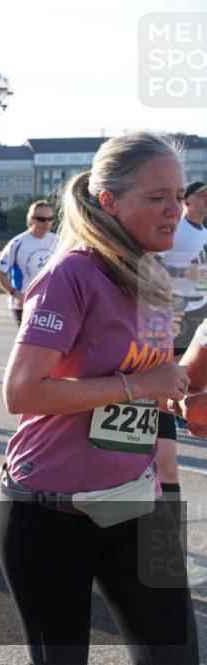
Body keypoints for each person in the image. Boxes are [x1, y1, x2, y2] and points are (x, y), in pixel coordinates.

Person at [0, 132, 197, 664]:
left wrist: (179, 394)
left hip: (135, 499)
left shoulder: (151, 272)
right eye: (156, 198)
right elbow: (21, 392)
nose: (174, 210)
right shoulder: (71, 273)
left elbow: (145, 379)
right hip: (50, 509)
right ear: (109, 201)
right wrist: (140, 387)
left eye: (178, 196)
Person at [151, 178, 207, 585]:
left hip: (184, 330)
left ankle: (167, 555)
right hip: (165, 335)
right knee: (158, 464)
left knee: (165, 465)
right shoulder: (167, 233)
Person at [0, 200, 58, 325]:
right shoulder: (17, 243)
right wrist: (15, 294)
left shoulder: (59, 241)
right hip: (25, 305)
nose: (47, 223)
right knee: (29, 344)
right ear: (31, 219)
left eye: (50, 219)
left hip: (52, 304)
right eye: (41, 219)